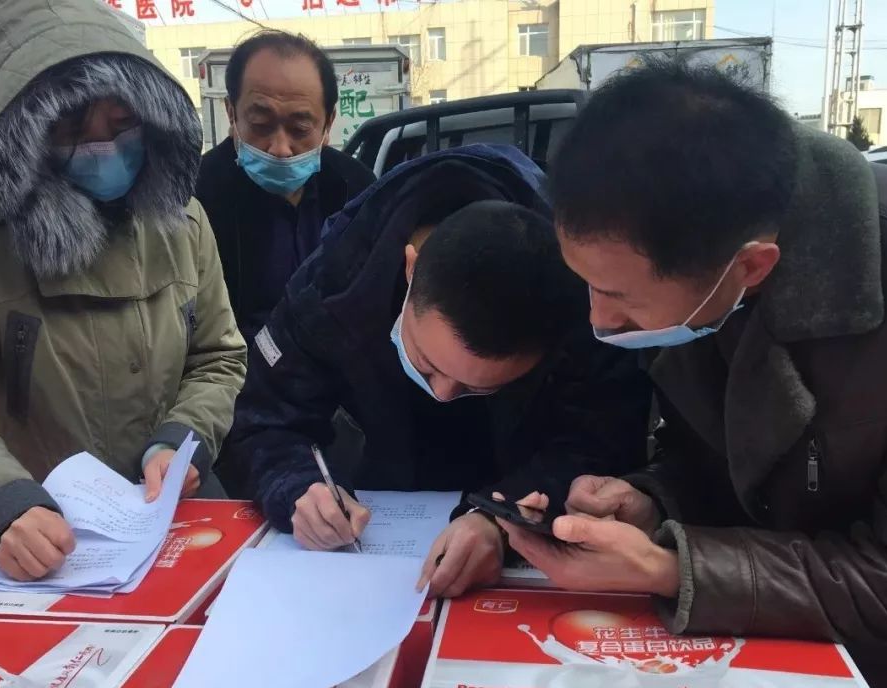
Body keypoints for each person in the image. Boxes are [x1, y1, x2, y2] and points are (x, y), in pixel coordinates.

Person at [498, 62, 887, 688]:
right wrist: (652, 501)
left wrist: (671, 568)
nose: (599, 320)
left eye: (621, 298)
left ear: (751, 266)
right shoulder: (691, 263)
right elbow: (724, 463)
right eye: (586, 284)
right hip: (764, 647)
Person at [0, 0, 247, 582]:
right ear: (22, 132)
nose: (103, 145)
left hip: (171, 513)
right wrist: (0, 501)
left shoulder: (183, 221)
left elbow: (218, 357)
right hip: (42, 533)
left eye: (122, 121)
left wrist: (182, 440)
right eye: (70, 127)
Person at [229, 144, 650, 599]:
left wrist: (503, 519)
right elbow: (264, 417)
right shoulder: (335, 279)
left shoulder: (586, 299)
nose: (444, 395)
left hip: (514, 510)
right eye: (427, 365)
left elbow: (603, 441)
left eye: (476, 387)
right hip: (380, 527)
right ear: (410, 268)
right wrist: (296, 484)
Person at [195, 30, 376, 345]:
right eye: (260, 124)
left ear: (328, 123)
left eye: (300, 128)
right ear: (231, 112)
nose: (280, 148)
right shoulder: (195, 196)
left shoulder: (356, 188)